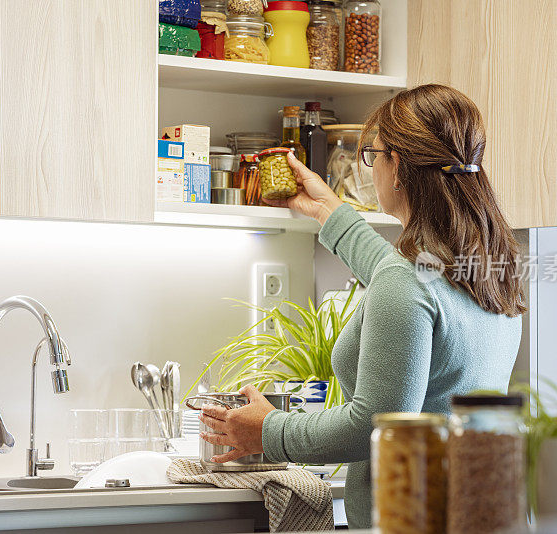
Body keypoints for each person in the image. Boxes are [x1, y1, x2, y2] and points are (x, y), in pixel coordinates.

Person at [198, 84, 525, 529]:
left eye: (373, 155)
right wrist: (325, 210)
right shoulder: (487, 265)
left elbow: (372, 424)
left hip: (410, 518)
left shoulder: (408, 279)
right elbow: (394, 273)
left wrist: (268, 429)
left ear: (399, 168)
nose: (369, 170)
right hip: (481, 508)